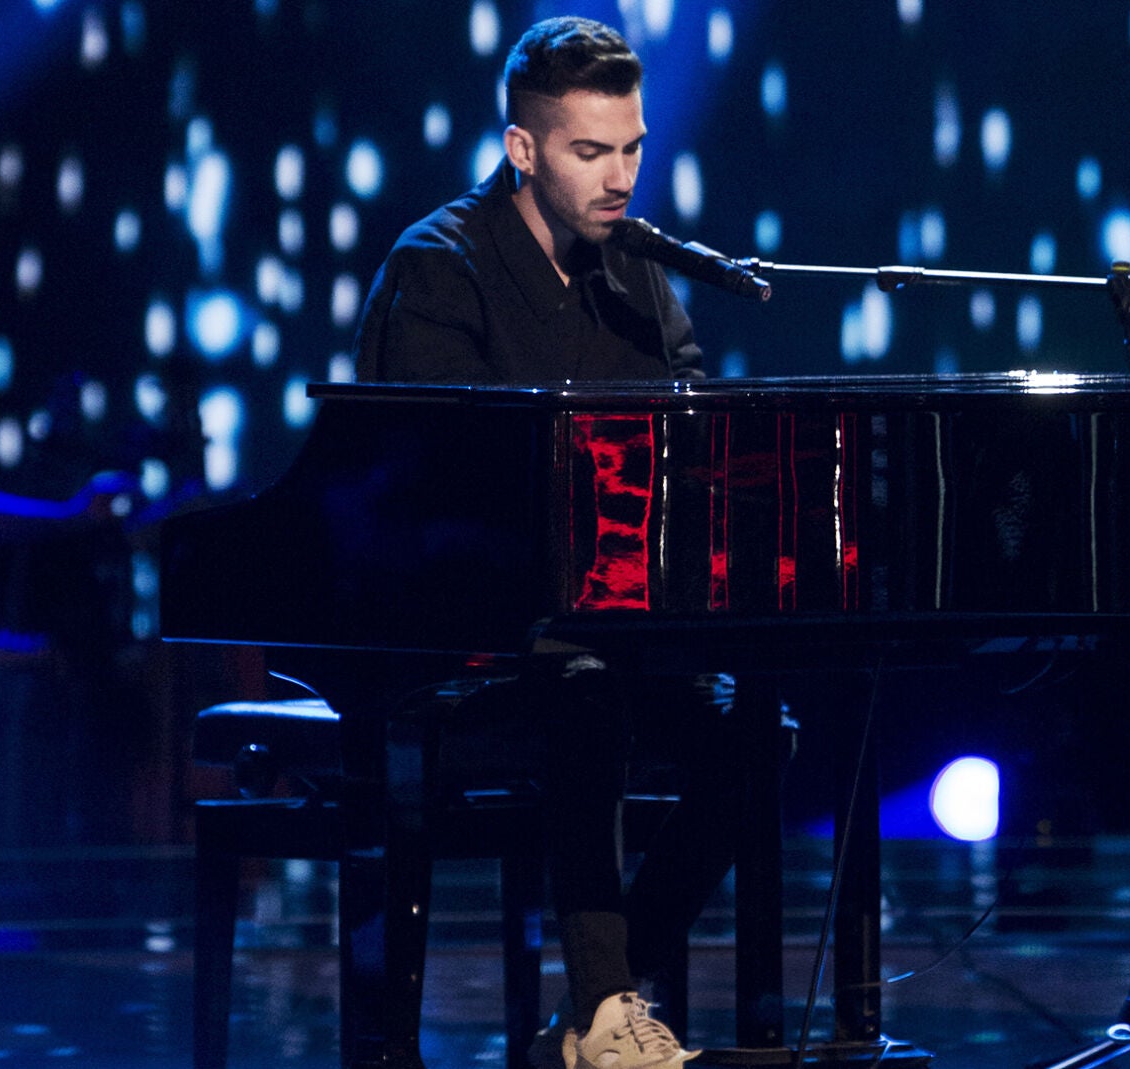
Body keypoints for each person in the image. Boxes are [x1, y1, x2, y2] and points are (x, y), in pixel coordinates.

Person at [354, 16, 733, 1069]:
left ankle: (595, 1006)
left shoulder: (638, 276)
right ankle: (607, 1010)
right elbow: (430, 482)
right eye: (590, 151)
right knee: (585, 690)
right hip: (464, 636)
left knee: (756, 735)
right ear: (522, 148)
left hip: (616, 626)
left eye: (633, 148)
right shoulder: (440, 265)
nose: (621, 179)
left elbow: (696, 435)